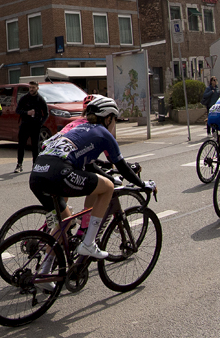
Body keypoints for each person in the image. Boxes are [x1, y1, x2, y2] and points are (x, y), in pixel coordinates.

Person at [28, 95, 156, 259]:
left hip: (37, 172)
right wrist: (142, 184)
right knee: (108, 187)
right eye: (115, 119)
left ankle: (45, 272)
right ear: (109, 118)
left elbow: (87, 163)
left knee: (65, 221)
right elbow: (121, 166)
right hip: (59, 172)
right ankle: (88, 244)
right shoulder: (103, 132)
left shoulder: (77, 128)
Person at [14, 81, 49, 174]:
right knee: (21, 145)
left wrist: (40, 123)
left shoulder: (40, 99)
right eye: (30, 87)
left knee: (35, 146)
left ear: (37, 88)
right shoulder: (24, 98)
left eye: (33, 87)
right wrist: (26, 113)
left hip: (35, 126)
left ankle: (35, 164)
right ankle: (19, 164)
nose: (31, 89)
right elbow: (17, 110)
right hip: (25, 124)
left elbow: (46, 114)